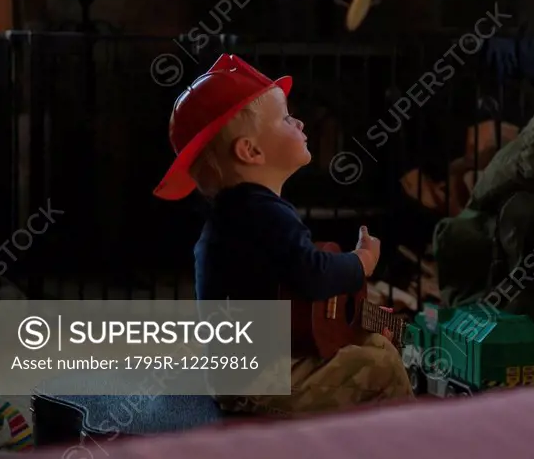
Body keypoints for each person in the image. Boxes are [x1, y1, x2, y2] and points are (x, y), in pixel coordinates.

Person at [153, 53, 414, 416]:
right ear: (251, 151)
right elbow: (312, 273)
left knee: (374, 347)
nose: (302, 122)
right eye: (288, 117)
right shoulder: (261, 214)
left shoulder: (243, 213)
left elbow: (291, 286)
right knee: (382, 368)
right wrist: (361, 262)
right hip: (257, 382)